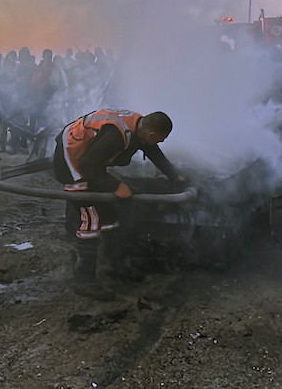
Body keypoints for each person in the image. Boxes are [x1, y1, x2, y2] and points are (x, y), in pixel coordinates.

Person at [52, 109, 183, 301]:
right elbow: (88, 165)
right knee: (91, 216)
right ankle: (84, 279)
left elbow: (153, 151)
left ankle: (109, 263)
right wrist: (116, 186)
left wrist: (174, 175)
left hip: (90, 159)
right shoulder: (116, 135)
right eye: (160, 139)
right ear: (151, 134)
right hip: (72, 158)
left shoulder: (139, 127)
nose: (161, 142)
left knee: (108, 212)